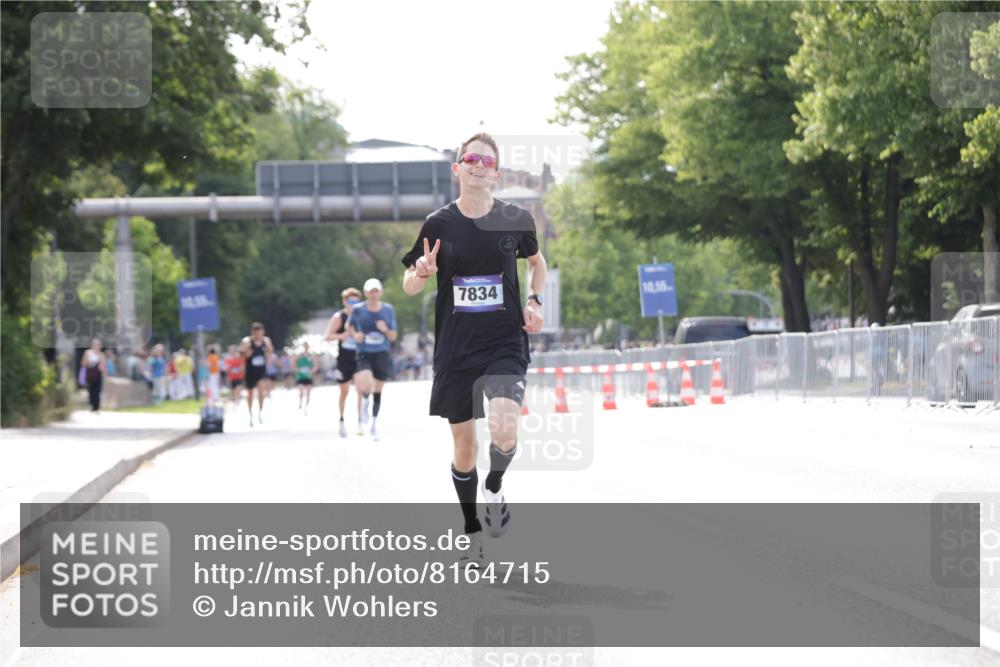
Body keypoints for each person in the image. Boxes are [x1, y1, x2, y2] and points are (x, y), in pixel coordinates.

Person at [401, 132, 547, 568]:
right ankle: (471, 530)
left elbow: (537, 263)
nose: (479, 166)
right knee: (464, 450)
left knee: (504, 428)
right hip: (456, 348)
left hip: (504, 341)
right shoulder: (438, 225)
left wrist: (535, 301)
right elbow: (409, 284)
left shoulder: (516, 219)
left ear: (496, 173)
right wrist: (422, 273)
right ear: (458, 168)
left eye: (487, 161)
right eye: (471, 159)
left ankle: (496, 485)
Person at [347, 278, 398, 441]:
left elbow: (393, 336)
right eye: (370, 291)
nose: (373, 294)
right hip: (364, 351)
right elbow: (349, 326)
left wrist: (385, 329)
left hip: (381, 352)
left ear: (380, 292)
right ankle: (365, 402)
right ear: (365, 293)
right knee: (367, 383)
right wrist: (356, 335)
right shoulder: (358, 309)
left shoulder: (388, 310)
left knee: (378, 389)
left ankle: (374, 424)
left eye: (376, 291)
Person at [324, 287, 365, 438]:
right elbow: (327, 336)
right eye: (350, 301)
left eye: (356, 300)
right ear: (344, 302)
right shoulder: (338, 317)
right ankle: (341, 420)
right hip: (344, 358)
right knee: (344, 391)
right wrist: (342, 336)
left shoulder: (362, 315)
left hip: (359, 356)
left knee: (361, 388)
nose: (353, 304)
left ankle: (360, 421)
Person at [241, 322, 275, 426]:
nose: (258, 335)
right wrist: (247, 353)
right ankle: (250, 414)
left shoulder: (266, 341)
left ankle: (260, 412)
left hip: (261, 370)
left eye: (260, 332)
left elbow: (270, 352)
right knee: (250, 393)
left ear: (263, 332)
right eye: (256, 333)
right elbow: (241, 355)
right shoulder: (247, 341)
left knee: (261, 390)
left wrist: (267, 353)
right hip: (250, 370)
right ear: (252, 332)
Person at [81, 339, 107, 413]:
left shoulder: (101, 355)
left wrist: (102, 368)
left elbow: (103, 366)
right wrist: (89, 362)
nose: (97, 346)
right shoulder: (87, 352)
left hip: (98, 374)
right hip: (89, 374)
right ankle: (92, 405)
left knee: (97, 390)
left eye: (99, 345)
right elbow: (83, 363)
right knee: (90, 390)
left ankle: (96, 407)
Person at [295, 342, 318, 414]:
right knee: (301, 390)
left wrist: (313, 370)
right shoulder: (300, 355)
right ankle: (300, 401)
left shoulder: (311, 356)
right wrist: (296, 369)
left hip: (308, 376)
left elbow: (315, 365)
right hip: (300, 376)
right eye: (305, 346)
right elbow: (294, 362)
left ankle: (306, 407)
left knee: (308, 392)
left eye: (307, 346)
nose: (306, 347)